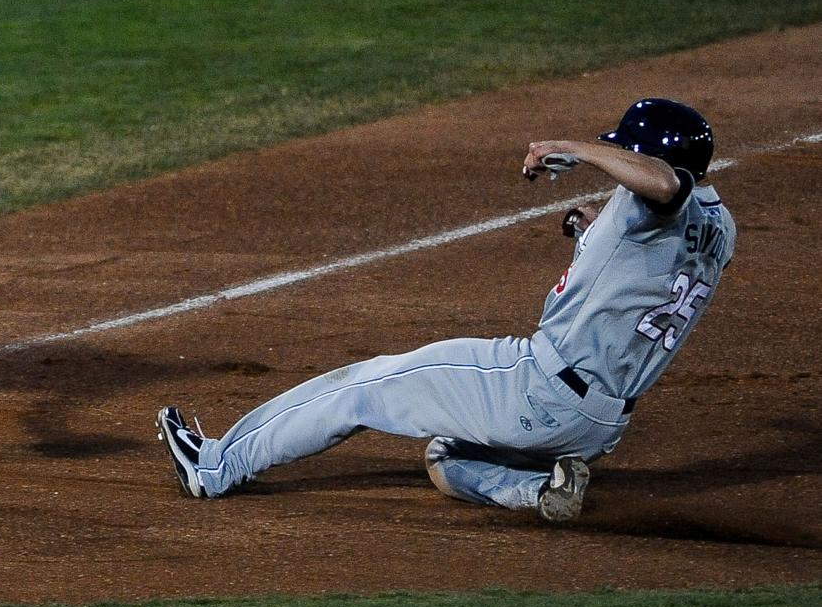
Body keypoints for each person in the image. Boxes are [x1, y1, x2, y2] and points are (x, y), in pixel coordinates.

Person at [157, 99, 734, 522]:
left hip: (538, 387)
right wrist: (592, 224)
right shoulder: (722, 228)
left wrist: (577, 150)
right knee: (446, 455)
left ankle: (215, 466)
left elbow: (662, 182)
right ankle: (543, 491)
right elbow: (648, 259)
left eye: (621, 150)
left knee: (367, 385)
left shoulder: (662, 190)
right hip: (597, 427)